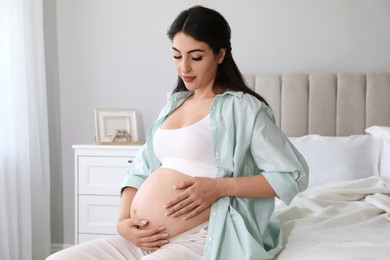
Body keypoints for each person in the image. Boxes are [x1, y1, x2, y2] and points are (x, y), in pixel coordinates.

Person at [47, 5, 308, 260]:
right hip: (142, 239)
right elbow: (140, 170)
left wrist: (219, 187)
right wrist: (122, 222)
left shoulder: (244, 109)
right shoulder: (173, 105)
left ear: (220, 54)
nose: (184, 68)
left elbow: (291, 175)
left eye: (195, 57)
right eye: (176, 55)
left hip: (201, 238)